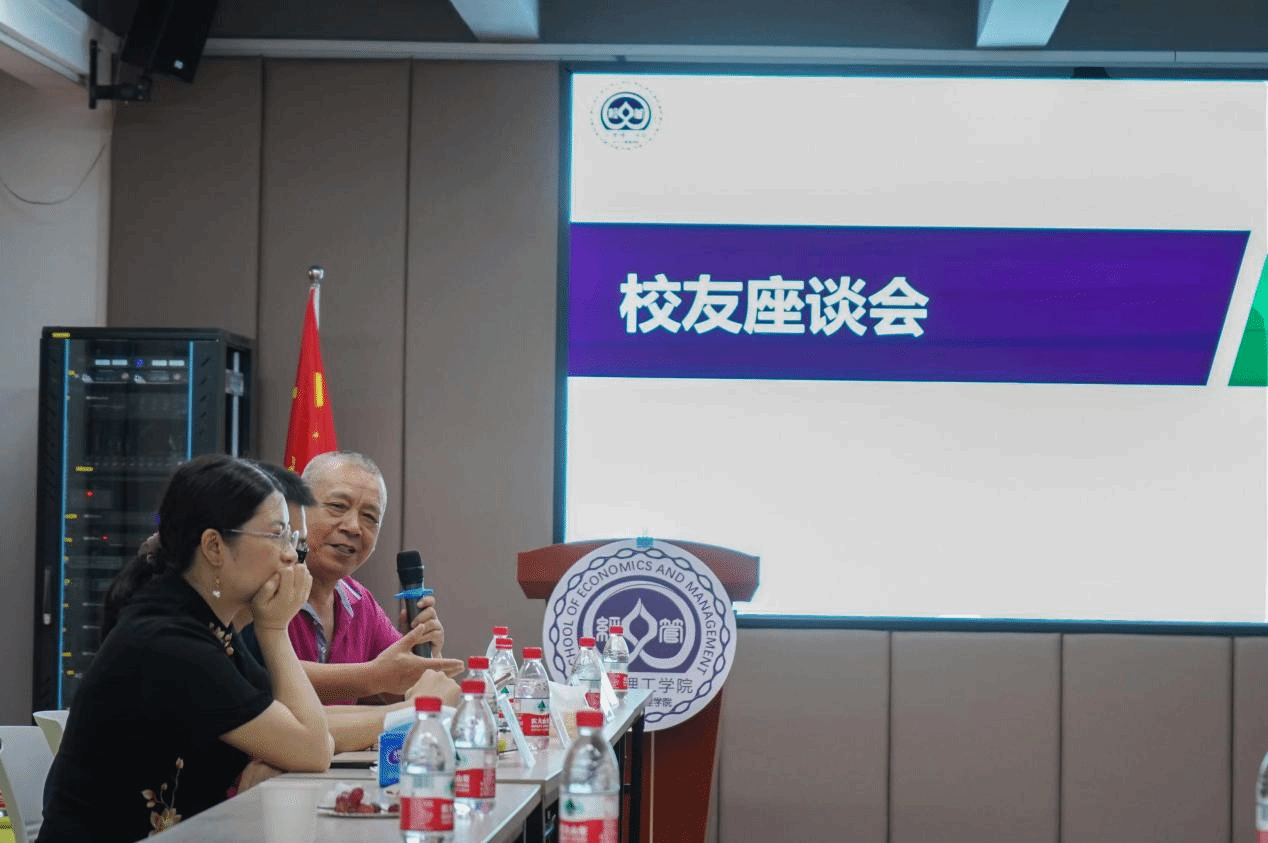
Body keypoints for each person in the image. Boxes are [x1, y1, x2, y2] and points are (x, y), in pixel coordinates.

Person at [38, 455, 332, 843]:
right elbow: (313, 748)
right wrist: (275, 629)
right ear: (214, 546)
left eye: (291, 539)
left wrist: (397, 716)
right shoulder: (170, 643)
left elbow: (291, 724)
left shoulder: (206, 624)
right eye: (277, 535)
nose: (291, 555)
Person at [241, 459, 460, 752]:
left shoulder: (358, 600)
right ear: (298, 512)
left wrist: (422, 650)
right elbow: (262, 678)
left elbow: (400, 692)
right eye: (337, 507)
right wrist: (375, 677)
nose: (354, 527)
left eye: (369, 517)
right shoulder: (260, 587)